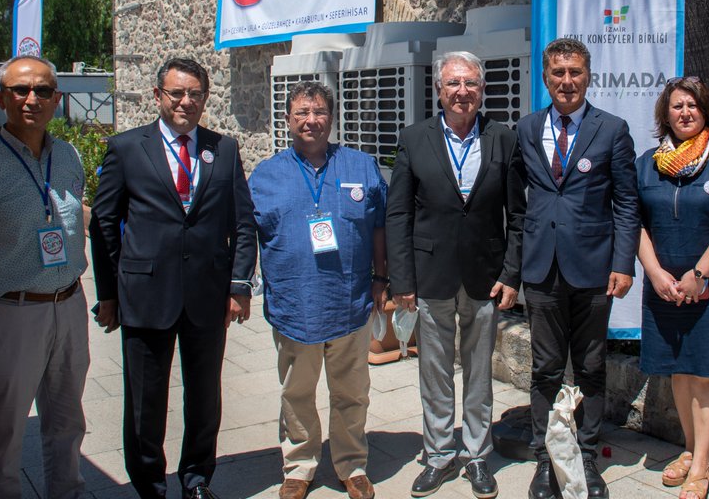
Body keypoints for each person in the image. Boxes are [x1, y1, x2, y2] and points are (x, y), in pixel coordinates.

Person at [89, 57, 258, 499]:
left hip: (207, 295)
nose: (186, 101)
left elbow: (242, 223)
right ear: (158, 96)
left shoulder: (224, 149)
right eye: (177, 93)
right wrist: (108, 294)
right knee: (145, 404)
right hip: (145, 295)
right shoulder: (127, 148)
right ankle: (149, 485)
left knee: (204, 400)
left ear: (205, 98)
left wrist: (240, 285)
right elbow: (104, 222)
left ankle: (197, 479)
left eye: (195, 94)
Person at [387, 52, 527, 499]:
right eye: (453, 83)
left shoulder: (502, 138)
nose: (462, 92)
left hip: (485, 275)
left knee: (480, 372)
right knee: (434, 371)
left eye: (470, 83)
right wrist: (401, 280)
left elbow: (517, 215)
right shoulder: (414, 138)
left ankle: (478, 454)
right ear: (439, 90)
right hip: (430, 274)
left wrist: (511, 273)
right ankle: (438, 455)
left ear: (481, 90)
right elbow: (398, 214)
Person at [248, 81, 388, 499]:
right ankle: (299, 464)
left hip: (350, 301)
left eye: (320, 111)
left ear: (332, 116)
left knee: (352, 391)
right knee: (297, 392)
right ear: (288, 120)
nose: (311, 120)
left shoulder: (362, 167)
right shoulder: (265, 175)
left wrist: (383, 279)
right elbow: (243, 235)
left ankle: (352, 464)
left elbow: (380, 227)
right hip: (295, 305)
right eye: (302, 113)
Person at [516, 38, 640, 499]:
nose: (566, 81)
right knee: (546, 368)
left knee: (590, 367)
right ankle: (546, 457)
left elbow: (627, 202)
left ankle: (586, 458)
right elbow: (517, 202)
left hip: (594, 269)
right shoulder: (527, 129)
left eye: (575, 72)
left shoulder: (612, 130)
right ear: (545, 78)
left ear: (589, 76)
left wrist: (623, 263)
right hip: (542, 270)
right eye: (558, 73)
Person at [636, 77, 709, 499]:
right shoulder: (647, 162)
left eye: (693, 106)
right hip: (665, 287)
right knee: (679, 371)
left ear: (707, 112)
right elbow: (635, 223)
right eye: (677, 106)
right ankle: (688, 447)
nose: (685, 113)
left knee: (705, 373)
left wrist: (698, 275)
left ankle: (701, 463)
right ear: (665, 113)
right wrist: (655, 272)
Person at [0, 55, 89, 499]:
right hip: (12, 311)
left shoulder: (67, 155)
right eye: (20, 90)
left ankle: (67, 492)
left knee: (67, 420)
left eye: (43, 90)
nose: (32, 99)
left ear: (57, 99)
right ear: (0, 98)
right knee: (3, 426)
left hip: (68, 305)